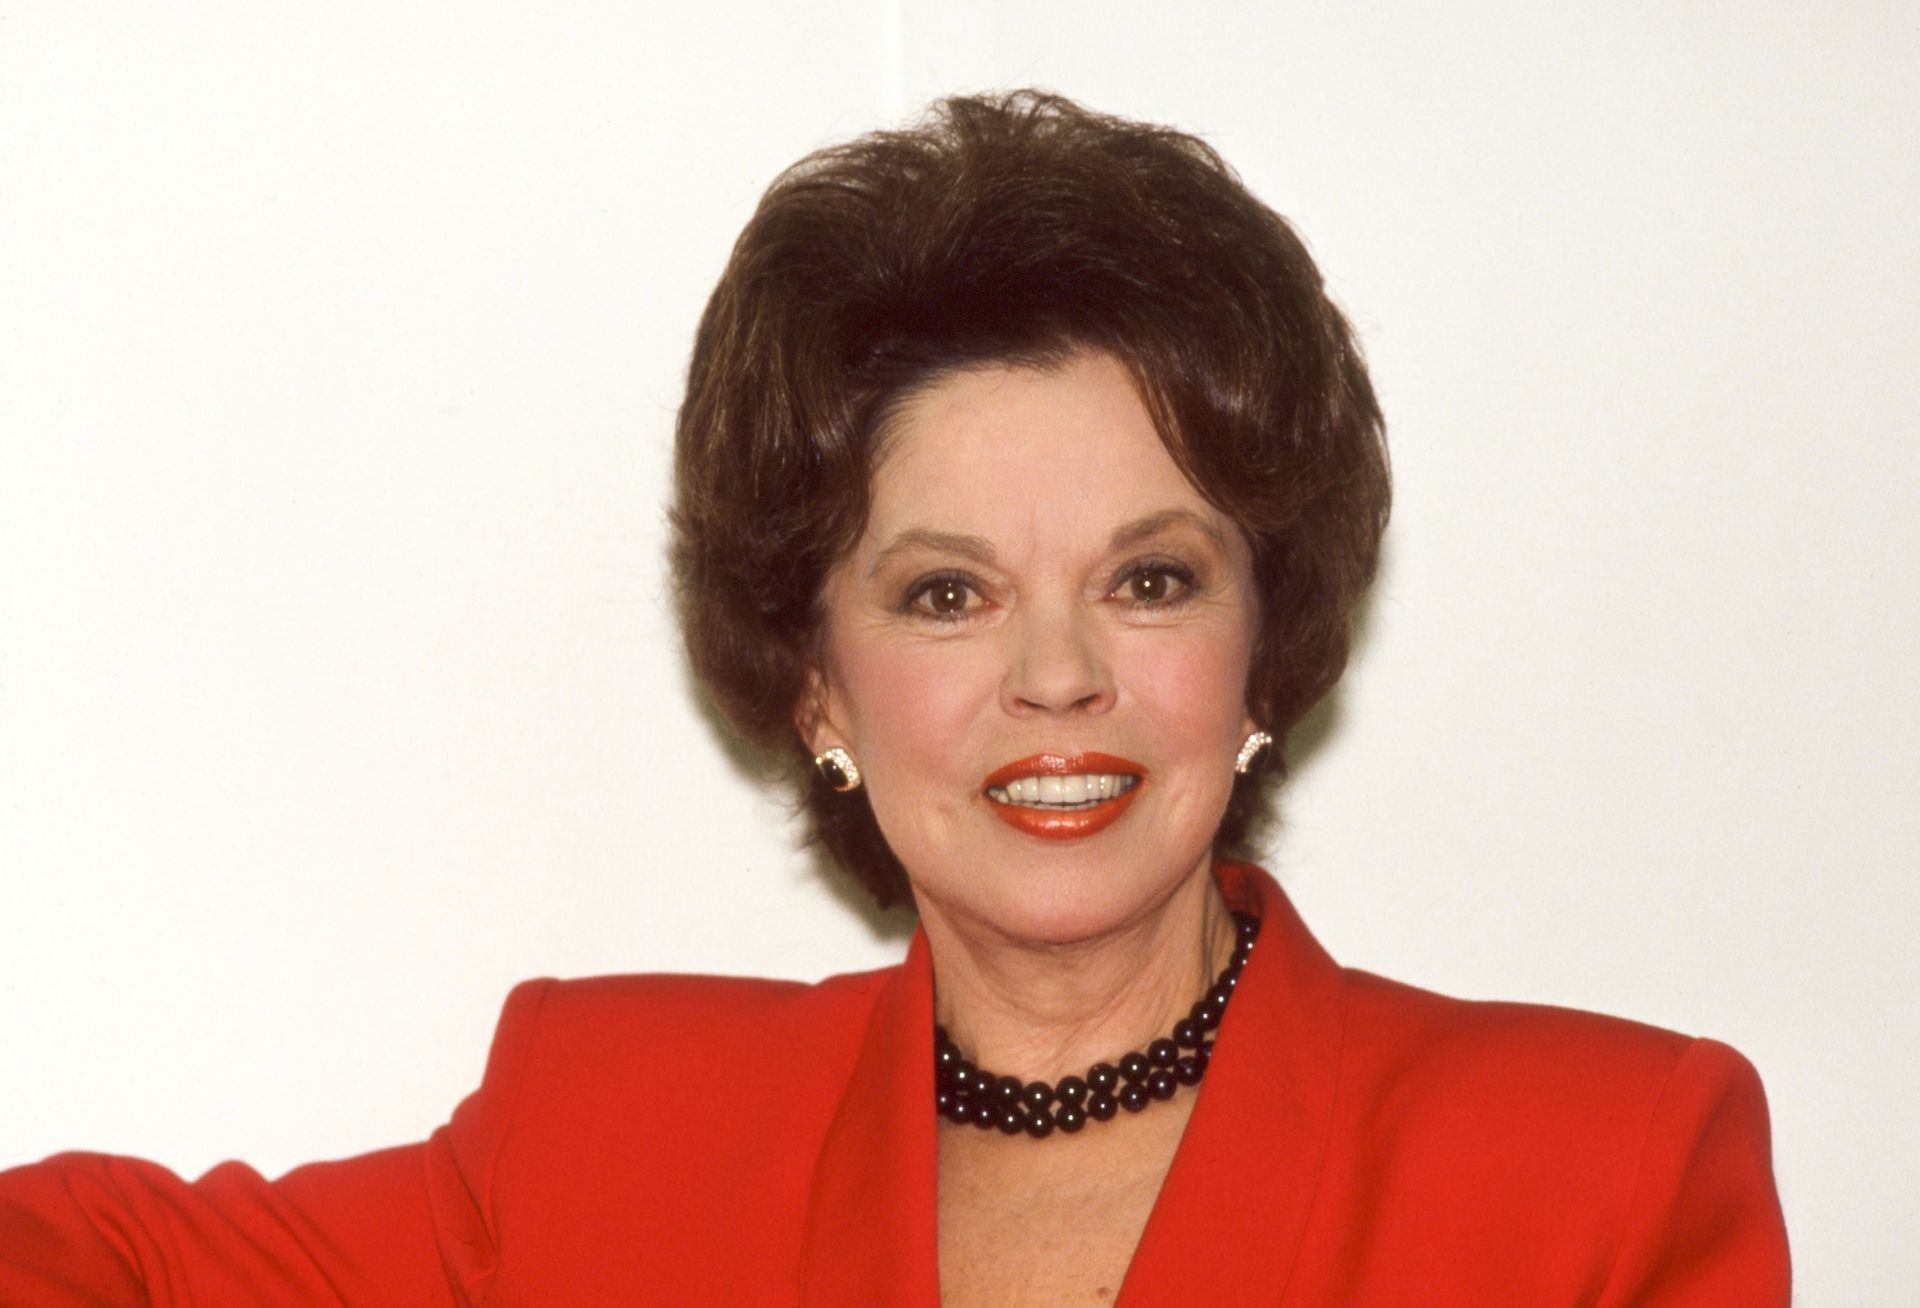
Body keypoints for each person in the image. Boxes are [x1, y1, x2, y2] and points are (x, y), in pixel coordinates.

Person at [0, 90, 1788, 1305]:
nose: (1061, 673)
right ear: (808, 678)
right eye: (947, 594)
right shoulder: (607, 1128)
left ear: (1268, 632)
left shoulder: (1598, 1170)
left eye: (1149, 578)